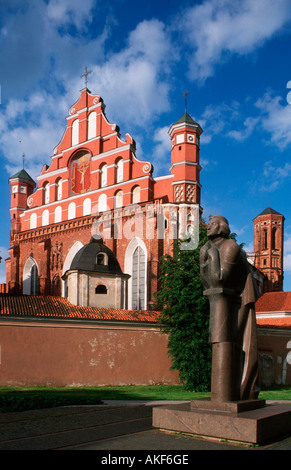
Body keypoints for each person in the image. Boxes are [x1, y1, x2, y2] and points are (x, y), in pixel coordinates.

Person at [200, 215, 260, 402]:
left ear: (221, 228)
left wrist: (208, 255)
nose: (208, 227)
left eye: (212, 224)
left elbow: (220, 279)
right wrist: (205, 256)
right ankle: (224, 395)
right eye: (208, 224)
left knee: (233, 342)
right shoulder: (212, 247)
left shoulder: (230, 247)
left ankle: (233, 393)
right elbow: (208, 284)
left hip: (239, 300)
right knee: (224, 341)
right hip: (221, 299)